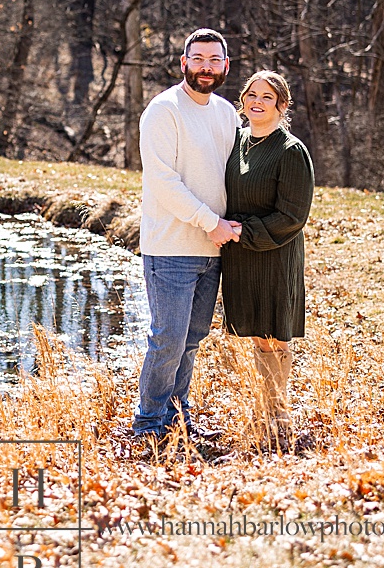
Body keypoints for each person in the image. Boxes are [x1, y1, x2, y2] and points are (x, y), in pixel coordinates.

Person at [131, 29, 243, 447]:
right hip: (172, 247)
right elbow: (162, 181)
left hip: (212, 248)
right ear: (183, 63)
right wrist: (209, 220)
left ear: (226, 66)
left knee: (192, 340)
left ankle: (177, 416)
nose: (206, 68)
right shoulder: (164, 110)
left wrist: (230, 224)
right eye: (198, 59)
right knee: (168, 338)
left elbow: (233, 175)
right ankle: (148, 422)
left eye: (215, 60)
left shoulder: (226, 113)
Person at [219, 70, 316, 449]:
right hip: (241, 256)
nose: (257, 102)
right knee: (259, 335)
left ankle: (277, 412)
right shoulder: (238, 141)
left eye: (267, 96)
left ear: (282, 104)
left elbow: (293, 215)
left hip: (274, 252)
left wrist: (242, 231)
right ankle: (266, 407)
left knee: (274, 334)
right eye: (251, 95)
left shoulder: (291, 151)